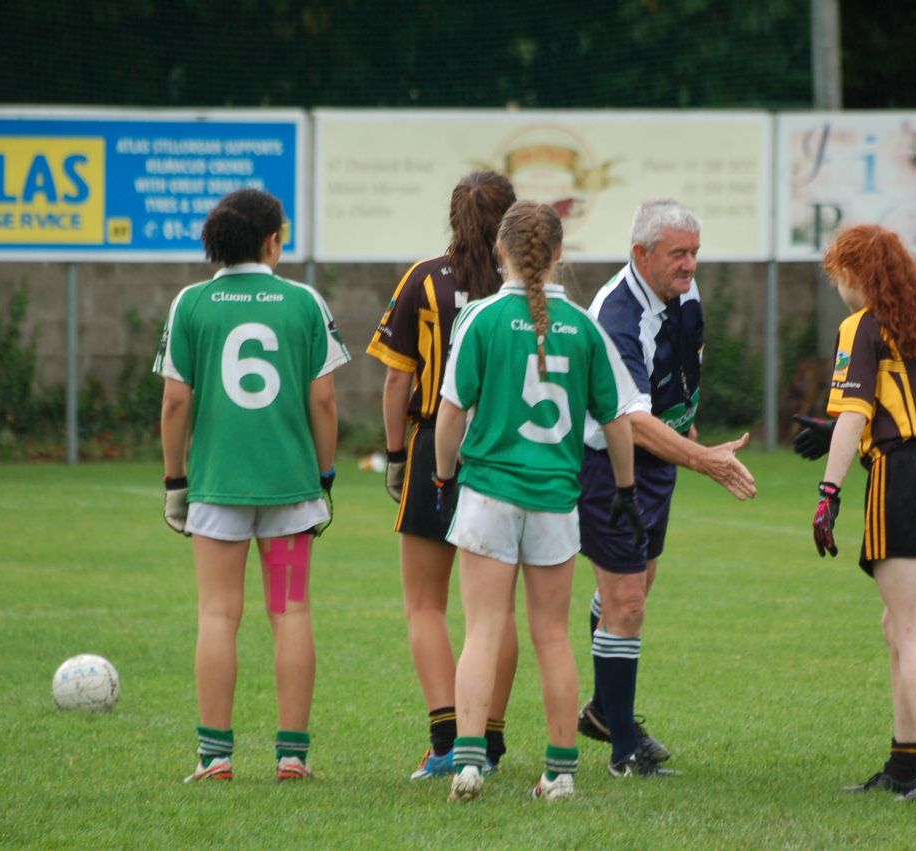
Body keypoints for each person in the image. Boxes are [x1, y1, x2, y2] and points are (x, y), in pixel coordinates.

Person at [435, 201, 643, 802]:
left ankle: (470, 763)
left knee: (482, 630)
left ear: (500, 252)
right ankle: (560, 772)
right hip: (555, 500)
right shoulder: (583, 324)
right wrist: (626, 490)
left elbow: (451, 414)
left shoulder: (481, 318)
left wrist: (443, 479)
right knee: (552, 634)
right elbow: (619, 420)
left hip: (490, 495)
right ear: (558, 255)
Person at [155, 188, 349, 783]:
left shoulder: (192, 303)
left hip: (216, 488)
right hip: (291, 490)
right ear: (271, 240)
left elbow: (175, 403)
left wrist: (174, 482)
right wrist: (323, 475)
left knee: (218, 615)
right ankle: (292, 756)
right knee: (290, 613)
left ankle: (215, 758)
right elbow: (323, 400)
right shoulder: (302, 302)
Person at [576, 198, 757, 777]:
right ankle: (624, 750)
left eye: (695, 253)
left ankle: (605, 710)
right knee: (627, 601)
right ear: (640, 254)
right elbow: (627, 417)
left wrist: (684, 416)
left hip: (656, 458)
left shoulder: (684, 294)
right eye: (678, 254)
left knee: (636, 587)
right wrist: (704, 459)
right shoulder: (616, 314)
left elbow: (681, 361)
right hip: (608, 465)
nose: (690, 265)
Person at [809, 223, 916, 801]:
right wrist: (837, 432)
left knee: (912, 632)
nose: (839, 286)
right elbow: (894, 403)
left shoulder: (860, 325)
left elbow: (858, 415)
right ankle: (904, 764)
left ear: (854, 274)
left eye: (839, 275)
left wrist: (828, 493)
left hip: (903, 475)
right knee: (900, 626)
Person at [365, 171, 521, 780]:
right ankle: (494, 739)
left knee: (425, 605)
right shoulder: (526, 288)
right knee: (497, 611)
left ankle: (446, 740)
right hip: (507, 450)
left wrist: (397, 455)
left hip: (437, 441)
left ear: (455, 218)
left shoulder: (425, 278)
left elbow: (397, 377)